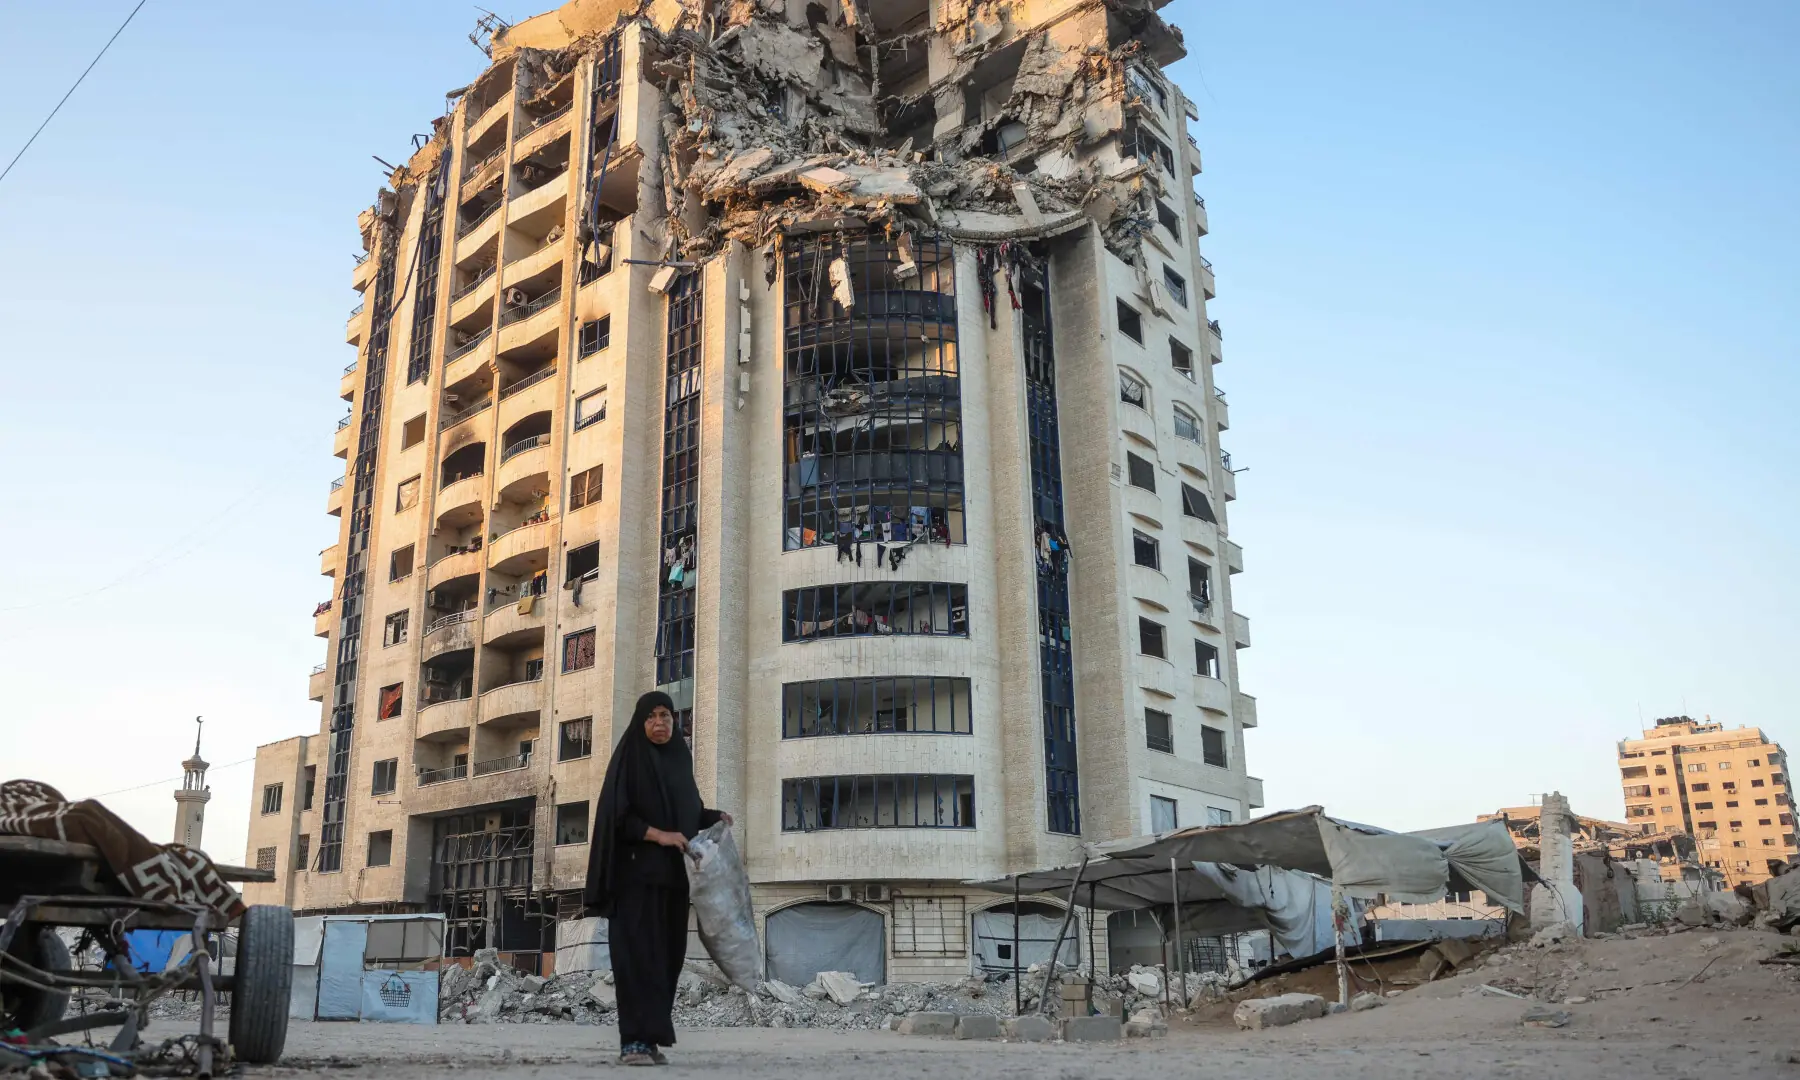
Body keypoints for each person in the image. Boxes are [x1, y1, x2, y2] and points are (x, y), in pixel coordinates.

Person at [583, 692, 730, 1066]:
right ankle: (632, 1041)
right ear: (640, 722)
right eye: (650, 716)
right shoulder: (630, 760)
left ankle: (650, 1040)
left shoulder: (679, 761)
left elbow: (689, 812)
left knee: (667, 958)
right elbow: (619, 817)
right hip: (634, 879)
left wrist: (714, 816)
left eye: (665, 715)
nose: (659, 722)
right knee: (637, 959)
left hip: (673, 882)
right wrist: (659, 835)